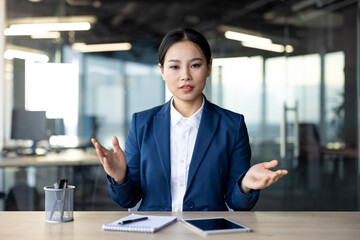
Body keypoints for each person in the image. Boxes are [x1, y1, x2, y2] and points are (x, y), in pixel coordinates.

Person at [91, 28, 288, 211]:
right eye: (174, 66)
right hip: (154, 231)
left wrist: (245, 185)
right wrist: (120, 178)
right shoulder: (141, 123)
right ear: (162, 71)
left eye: (195, 65)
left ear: (209, 67)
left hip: (208, 232)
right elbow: (129, 199)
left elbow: (236, 202)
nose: (185, 75)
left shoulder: (232, 125)